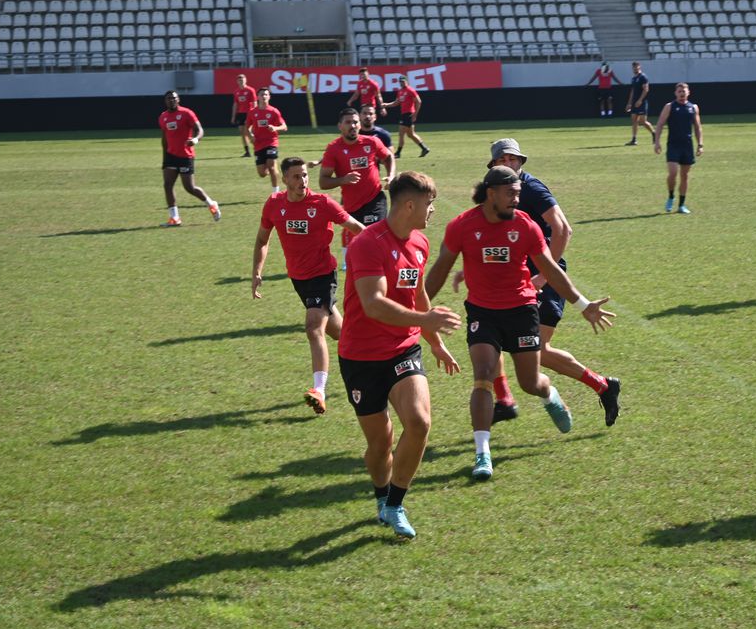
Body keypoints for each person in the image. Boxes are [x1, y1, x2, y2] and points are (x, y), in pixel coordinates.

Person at [424, 166, 615, 481]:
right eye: (510, 194)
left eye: (518, 193)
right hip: (483, 313)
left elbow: (551, 270)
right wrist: (416, 309)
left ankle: (549, 394)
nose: (516, 199)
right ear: (491, 194)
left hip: (522, 312)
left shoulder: (526, 225)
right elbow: (440, 269)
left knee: (530, 383)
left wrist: (583, 305)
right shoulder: (462, 225)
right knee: (483, 375)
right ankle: (482, 454)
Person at [458, 139, 622, 427]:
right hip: (516, 279)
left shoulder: (531, 189)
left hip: (542, 279)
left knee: (538, 350)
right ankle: (505, 400)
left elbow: (563, 229)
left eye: (513, 159)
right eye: (503, 160)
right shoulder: (496, 192)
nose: (509, 164)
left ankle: (603, 386)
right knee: (492, 337)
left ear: (521, 162)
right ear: (493, 165)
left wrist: (543, 276)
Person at [337, 171, 461, 539]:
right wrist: (426, 320)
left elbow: (417, 293)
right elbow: (373, 304)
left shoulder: (420, 242)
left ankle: (395, 504)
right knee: (380, 444)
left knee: (419, 422)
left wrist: (434, 340)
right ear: (409, 205)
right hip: (361, 356)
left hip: (403, 349)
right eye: (429, 203)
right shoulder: (366, 244)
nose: (432, 210)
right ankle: (381, 496)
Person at [253, 157, 366, 414]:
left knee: (313, 328)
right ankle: (371, 349)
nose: (302, 180)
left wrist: (385, 249)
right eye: (296, 176)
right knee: (342, 334)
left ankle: (319, 390)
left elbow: (356, 227)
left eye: (304, 175)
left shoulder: (322, 203)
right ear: (284, 179)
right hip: (299, 279)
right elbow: (262, 240)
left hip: (323, 275)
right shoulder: (274, 204)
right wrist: (257, 271)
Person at [319, 107, 396, 267]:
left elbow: (388, 157)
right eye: (348, 122)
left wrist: (391, 175)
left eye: (355, 122)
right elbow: (323, 182)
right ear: (340, 126)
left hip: (375, 199)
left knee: (374, 234)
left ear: (359, 125)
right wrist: (343, 179)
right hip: (351, 204)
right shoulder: (333, 149)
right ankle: (349, 265)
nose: (352, 126)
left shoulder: (371, 142)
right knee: (355, 238)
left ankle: (381, 266)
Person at [158, 91, 221, 227]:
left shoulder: (187, 113)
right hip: (170, 156)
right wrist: (164, 158)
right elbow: (164, 139)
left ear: (178, 99)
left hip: (185, 156)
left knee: (189, 187)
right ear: (165, 101)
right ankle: (174, 217)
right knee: (167, 185)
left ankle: (211, 204)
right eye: (168, 99)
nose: (171, 100)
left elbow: (200, 130)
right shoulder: (163, 117)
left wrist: (195, 140)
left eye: (174, 98)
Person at [653, 82, 703, 214]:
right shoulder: (669, 106)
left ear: (688, 93)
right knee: (673, 173)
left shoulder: (693, 107)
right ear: (675, 93)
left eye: (684, 91)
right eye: (679, 91)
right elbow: (660, 124)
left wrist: (700, 144)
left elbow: (697, 127)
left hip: (687, 146)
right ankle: (671, 196)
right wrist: (657, 142)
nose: (682, 94)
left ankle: (681, 205)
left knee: (684, 175)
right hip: (673, 145)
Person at [247, 88, 287, 194]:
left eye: (266, 94)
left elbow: (284, 126)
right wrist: (250, 136)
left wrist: (275, 128)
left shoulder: (274, 111)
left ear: (269, 97)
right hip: (258, 144)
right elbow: (247, 127)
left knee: (272, 167)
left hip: (271, 142)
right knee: (262, 173)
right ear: (258, 97)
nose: (264, 96)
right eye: (261, 94)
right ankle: (272, 170)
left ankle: (276, 193)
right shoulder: (252, 112)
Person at [381, 76, 430, 158]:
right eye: (400, 82)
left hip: (408, 114)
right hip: (404, 114)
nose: (402, 83)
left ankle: (398, 153)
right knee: (411, 134)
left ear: (407, 81)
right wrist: (387, 105)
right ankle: (424, 148)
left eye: (403, 81)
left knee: (401, 133)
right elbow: (396, 103)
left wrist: (415, 114)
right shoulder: (400, 91)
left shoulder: (410, 90)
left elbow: (419, 101)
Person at [624, 61, 656, 145]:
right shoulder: (633, 78)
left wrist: (640, 100)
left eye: (636, 67)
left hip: (642, 102)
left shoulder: (643, 77)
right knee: (634, 120)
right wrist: (629, 103)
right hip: (634, 103)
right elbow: (632, 91)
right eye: (633, 67)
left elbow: (646, 89)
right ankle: (634, 139)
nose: (635, 69)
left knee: (643, 121)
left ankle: (654, 133)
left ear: (639, 67)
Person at [231, 73, 258, 157]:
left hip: (249, 113)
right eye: (239, 80)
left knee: (248, 131)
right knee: (242, 132)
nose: (241, 81)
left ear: (246, 80)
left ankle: (258, 148)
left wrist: (254, 114)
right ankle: (247, 151)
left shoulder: (250, 90)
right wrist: (233, 116)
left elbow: (254, 103)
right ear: (237, 81)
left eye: (242, 80)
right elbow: (235, 104)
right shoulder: (236, 92)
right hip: (240, 114)